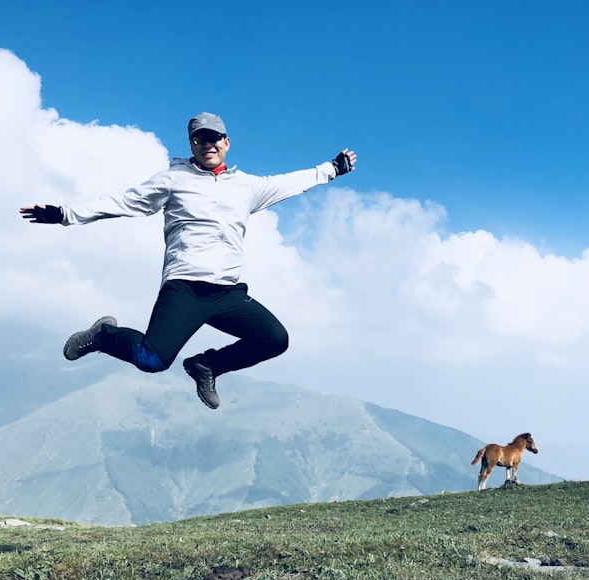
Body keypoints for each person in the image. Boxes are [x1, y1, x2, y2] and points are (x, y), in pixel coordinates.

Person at [21, 113, 356, 410]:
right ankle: (104, 335)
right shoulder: (173, 179)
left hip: (227, 293)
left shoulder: (247, 187)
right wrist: (65, 214)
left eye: (213, 138)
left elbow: (290, 183)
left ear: (226, 142)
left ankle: (207, 366)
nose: (207, 144)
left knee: (275, 339)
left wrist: (332, 169)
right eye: (199, 139)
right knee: (151, 360)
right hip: (185, 288)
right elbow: (124, 201)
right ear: (192, 145)